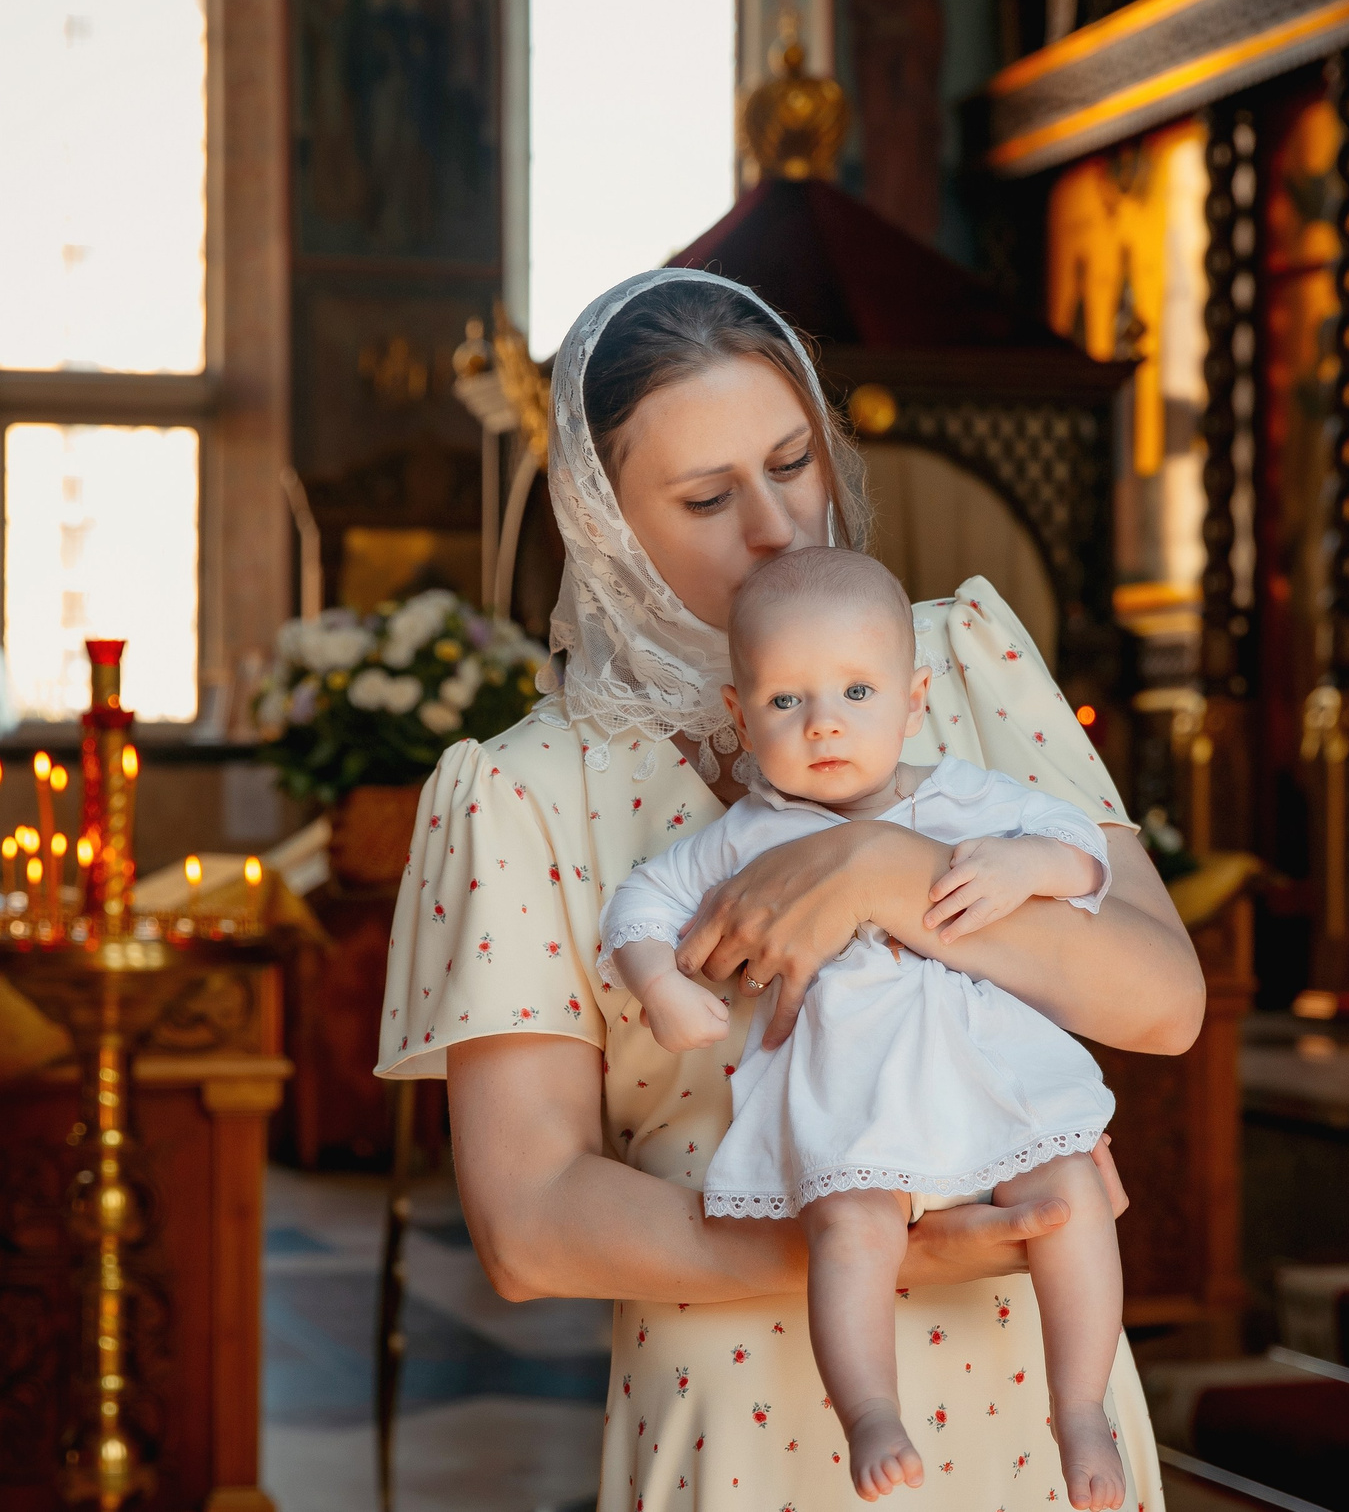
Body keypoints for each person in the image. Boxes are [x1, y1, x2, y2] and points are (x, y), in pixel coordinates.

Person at [375, 268, 1205, 1511]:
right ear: (603, 522)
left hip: (1035, 1398)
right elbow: (529, 1223)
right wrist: (884, 1247)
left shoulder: (961, 664)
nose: (778, 526)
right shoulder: (523, 792)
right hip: (745, 1409)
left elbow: (1164, 1004)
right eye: (708, 496)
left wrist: (885, 868)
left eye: (793, 463)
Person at [599, 546, 1127, 1506]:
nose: (826, 721)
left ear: (914, 697)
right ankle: (869, 1408)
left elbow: (1087, 851)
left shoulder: (962, 795)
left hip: (986, 1066)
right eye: (787, 701)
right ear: (739, 715)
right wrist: (659, 982)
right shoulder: (744, 836)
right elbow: (640, 901)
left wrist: (1026, 868)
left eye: (855, 689)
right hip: (854, 1088)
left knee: (1075, 1195)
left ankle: (1082, 1404)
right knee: (849, 1227)